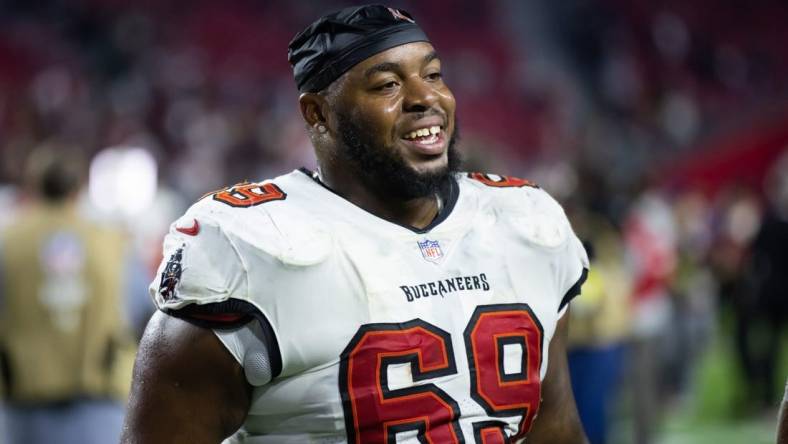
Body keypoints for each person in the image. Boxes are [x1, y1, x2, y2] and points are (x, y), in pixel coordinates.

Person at [121, 5, 590, 443]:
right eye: (387, 84)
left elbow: (556, 428)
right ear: (318, 113)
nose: (426, 97)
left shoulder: (524, 223)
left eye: (433, 74)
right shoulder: (250, 249)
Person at [0, 146, 138, 444]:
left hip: (23, 408)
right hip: (98, 405)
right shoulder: (111, 242)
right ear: (79, 187)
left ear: (32, 186)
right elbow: (145, 311)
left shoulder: (7, 242)